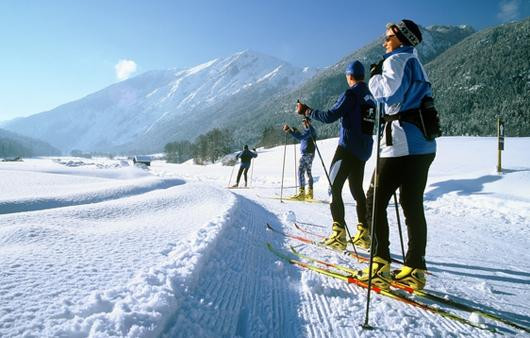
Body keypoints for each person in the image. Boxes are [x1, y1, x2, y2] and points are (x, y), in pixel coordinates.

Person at [354, 19, 437, 290]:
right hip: (423, 144)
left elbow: (388, 97)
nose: (384, 40)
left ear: (401, 37)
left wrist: (375, 77)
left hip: (402, 143)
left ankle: (379, 264)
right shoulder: (414, 60)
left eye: (388, 36)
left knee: (374, 201)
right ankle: (414, 267)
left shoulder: (396, 60)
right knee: (411, 204)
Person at [296, 60, 376, 251]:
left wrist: (307, 110)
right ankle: (364, 233)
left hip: (347, 147)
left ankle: (338, 234)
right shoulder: (370, 96)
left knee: (334, 187)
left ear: (349, 76)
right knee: (357, 189)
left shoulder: (351, 93)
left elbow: (330, 116)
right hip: (364, 149)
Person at [283, 118, 317, 200]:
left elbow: (301, 138)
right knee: (308, 172)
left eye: (305, 121)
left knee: (301, 171)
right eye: (303, 122)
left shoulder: (310, 130)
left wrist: (290, 132)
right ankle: (310, 193)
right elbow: (303, 138)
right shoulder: (308, 130)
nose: (304, 123)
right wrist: (295, 132)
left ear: (309, 122)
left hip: (307, 154)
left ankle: (302, 194)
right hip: (309, 154)